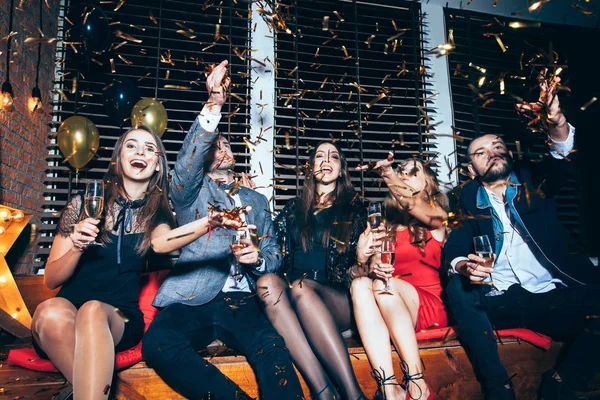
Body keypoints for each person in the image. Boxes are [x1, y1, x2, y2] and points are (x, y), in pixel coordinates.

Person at [141, 60, 303, 400]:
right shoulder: (190, 194)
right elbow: (185, 166)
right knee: (158, 343)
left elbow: (273, 256)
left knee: (272, 347)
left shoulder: (256, 201)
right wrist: (214, 105)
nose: (221, 148)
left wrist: (258, 258)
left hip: (242, 298)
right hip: (191, 298)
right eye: (214, 146)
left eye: (225, 144)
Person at [443, 72, 600, 400]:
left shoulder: (533, 181)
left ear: (509, 154)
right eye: (480, 152)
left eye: (496, 146)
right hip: (500, 300)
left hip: (549, 295)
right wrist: (463, 266)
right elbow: (454, 248)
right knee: (457, 285)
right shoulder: (467, 198)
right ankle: (497, 385)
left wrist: (555, 120)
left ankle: (563, 381)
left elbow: (563, 159)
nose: (492, 153)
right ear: (472, 169)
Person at [31, 125, 175, 400]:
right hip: (68, 313)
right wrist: (77, 246)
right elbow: (51, 280)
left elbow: (166, 242)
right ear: (119, 156)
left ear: (157, 164)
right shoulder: (83, 203)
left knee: (94, 310)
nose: (140, 152)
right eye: (131, 145)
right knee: (49, 311)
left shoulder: (159, 216)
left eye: (149, 148)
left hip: (119, 318)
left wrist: (209, 223)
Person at [256, 141, 368, 400]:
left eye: (334, 157)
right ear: (311, 167)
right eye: (319, 156)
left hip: (338, 298)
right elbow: (272, 252)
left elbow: (360, 270)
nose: (326, 160)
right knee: (266, 284)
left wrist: (362, 258)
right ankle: (324, 391)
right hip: (295, 294)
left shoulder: (357, 210)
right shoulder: (292, 211)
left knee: (302, 288)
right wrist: (255, 205)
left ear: (341, 170)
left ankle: (354, 395)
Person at [352, 157, 448, 400]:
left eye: (411, 172)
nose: (403, 176)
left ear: (428, 183)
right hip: (389, 302)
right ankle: (390, 387)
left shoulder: (437, 218)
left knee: (386, 285)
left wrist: (387, 173)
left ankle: (418, 384)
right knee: (360, 285)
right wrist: (363, 258)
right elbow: (371, 274)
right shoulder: (385, 227)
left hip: (429, 306)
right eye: (399, 172)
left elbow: (412, 204)